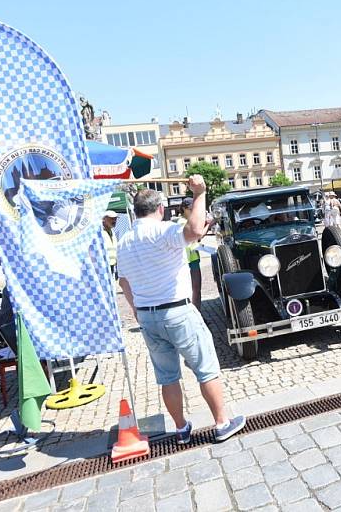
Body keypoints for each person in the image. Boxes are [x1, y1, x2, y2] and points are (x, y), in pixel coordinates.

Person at [117, 179, 245, 444]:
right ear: (160, 209)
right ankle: (221, 422)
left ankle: (180, 428)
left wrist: (137, 310)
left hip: (148, 315)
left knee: (167, 377)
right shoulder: (163, 231)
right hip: (176, 310)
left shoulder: (125, 241)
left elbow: (124, 281)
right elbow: (196, 228)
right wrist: (200, 193)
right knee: (206, 367)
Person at [176, 197, 208, 310]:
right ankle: (196, 314)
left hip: (193, 258)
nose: (193, 211)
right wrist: (209, 224)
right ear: (184, 209)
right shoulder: (182, 222)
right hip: (187, 260)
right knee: (194, 290)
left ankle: (198, 314)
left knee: (196, 289)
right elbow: (197, 235)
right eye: (191, 209)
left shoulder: (186, 221)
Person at [102, 210, 118, 279]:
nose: (114, 221)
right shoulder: (99, 232)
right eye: (111, 218)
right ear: (104, 219)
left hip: (111, 264)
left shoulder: (112, 232)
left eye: (115, 219)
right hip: (103, 265)